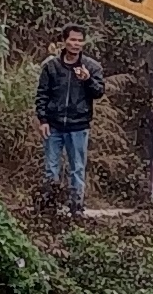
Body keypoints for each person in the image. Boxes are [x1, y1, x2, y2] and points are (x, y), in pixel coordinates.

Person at [36, 28, 106, 217]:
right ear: (64, 41)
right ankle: (49, 206)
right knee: (51, 167)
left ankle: (76, 208)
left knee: (77, 168)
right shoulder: (51, 67)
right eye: (72, 40)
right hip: (54, 124)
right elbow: (42, 93)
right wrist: (42, 120)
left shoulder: (91, 67)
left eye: (80, 41)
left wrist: (87, 79)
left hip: (78, 125)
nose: (76, 44)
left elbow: (99, 92)